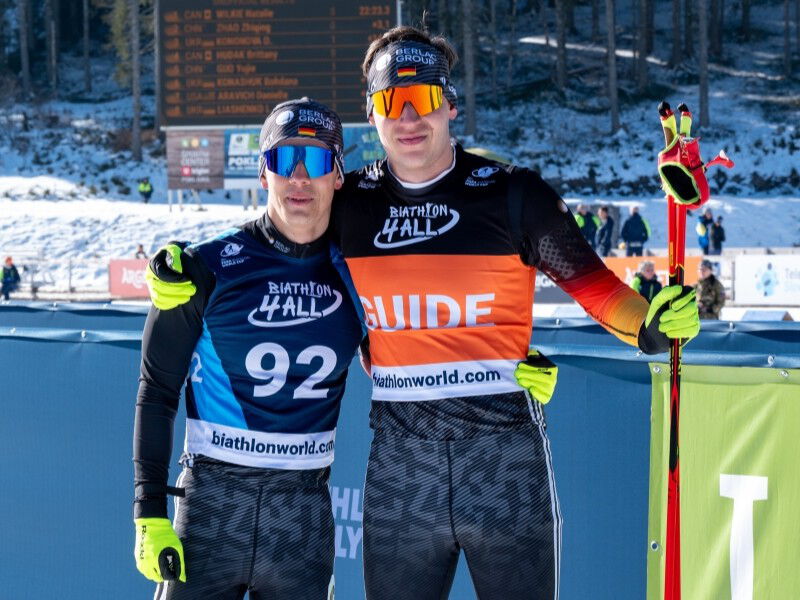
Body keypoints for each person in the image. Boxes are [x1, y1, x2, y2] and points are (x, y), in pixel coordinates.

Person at [146, 27, 699, 599]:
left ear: (450, 105)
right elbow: (273, 247)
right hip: (403, 472)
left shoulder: (513, 195)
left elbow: (600, 290)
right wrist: (182, 265)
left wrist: (651, 326)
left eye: (424, 99)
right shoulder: (349, 206)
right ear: (372, 114)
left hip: (502, 463)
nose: (409, 117)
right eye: (392, 101)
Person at [132, 99, 366, 599]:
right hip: (213, 505)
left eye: (317, 160)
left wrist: (507, 366)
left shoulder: (361, 276)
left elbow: (416, 350)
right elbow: (157, 391)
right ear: (264, 173)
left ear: (338, 176)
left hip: (302, 516)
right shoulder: (203, 267)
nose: (299, 177)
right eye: (284, 160)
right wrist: (148, 513)